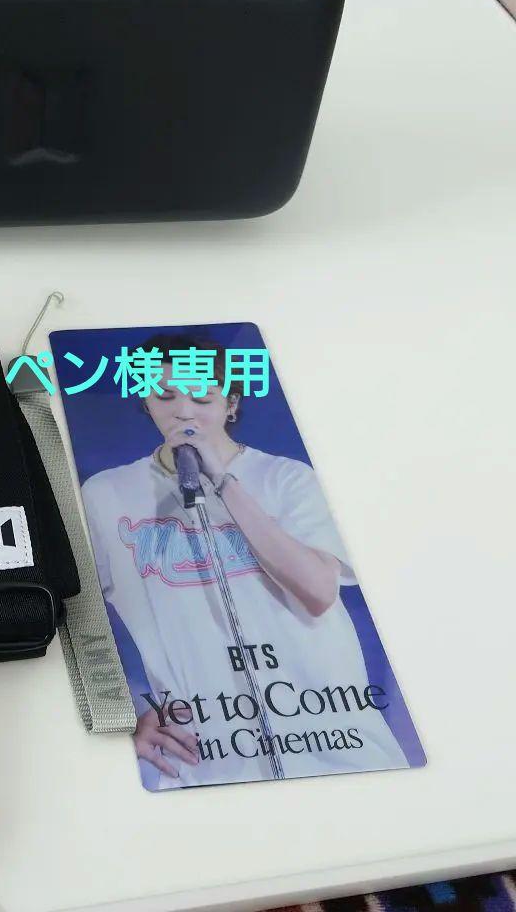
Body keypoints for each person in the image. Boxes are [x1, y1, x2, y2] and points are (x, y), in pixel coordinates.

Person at [81, 332, 407, 788]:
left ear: (231, 403)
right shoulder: (106, 494)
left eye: (202, 397)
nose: (184, 411)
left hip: (337, 744)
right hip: (209, 760)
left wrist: (222, 481)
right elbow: (79, 619)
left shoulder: (287, 480)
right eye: (165, 396)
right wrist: (128, 709)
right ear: (146, 402)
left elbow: (318, 592)